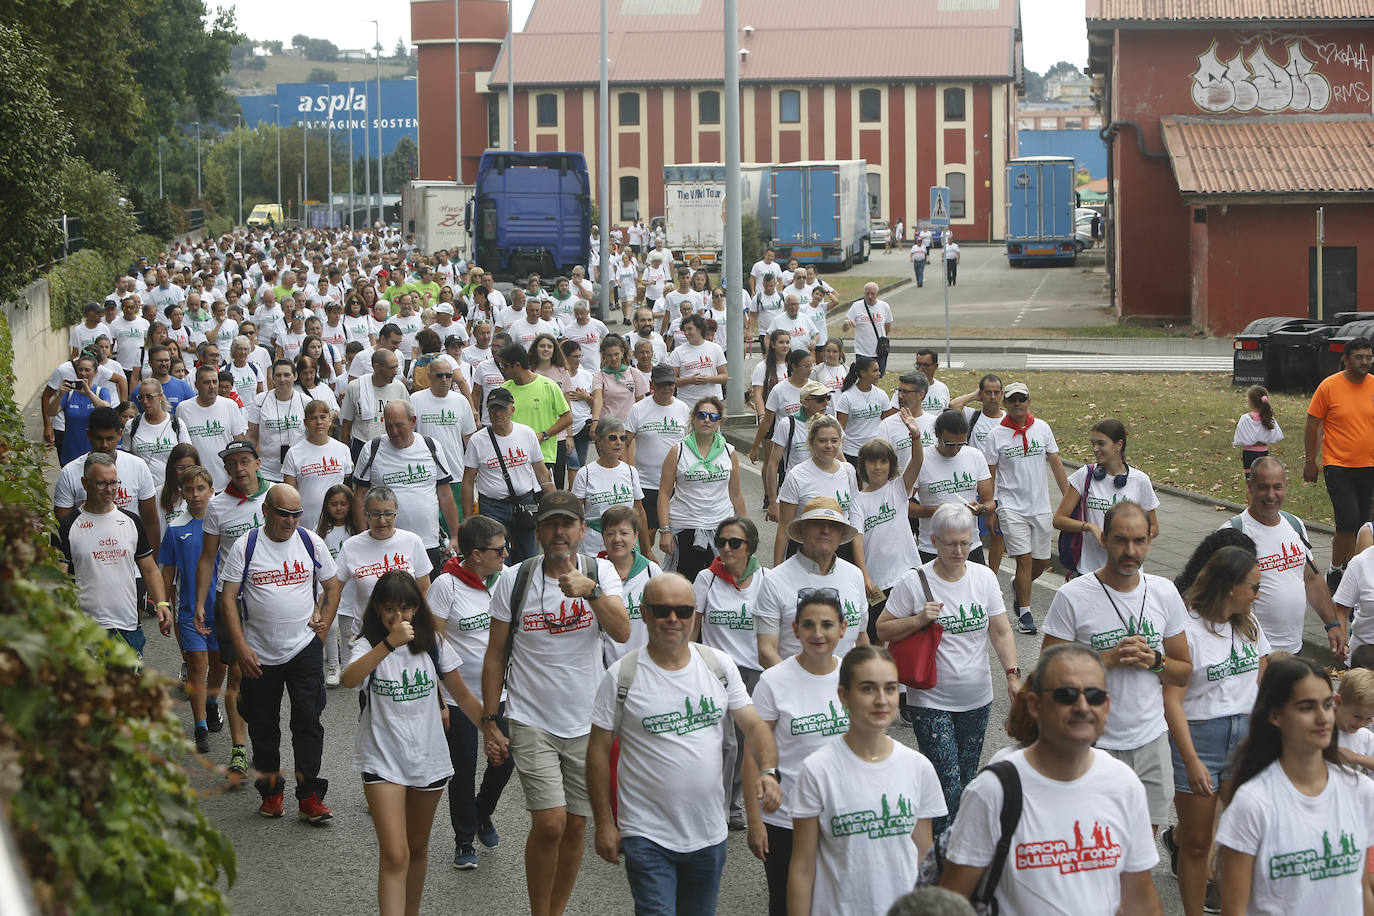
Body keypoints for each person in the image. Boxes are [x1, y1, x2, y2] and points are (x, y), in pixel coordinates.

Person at [586, 572, 780, 915]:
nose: (673, 619)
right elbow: (598, 753)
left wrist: (767, 770)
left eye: (683, 611)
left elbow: (755, 726)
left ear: (695, 614)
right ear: (644, 613)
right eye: (661, 610)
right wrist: (604, 823)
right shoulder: (621, 676)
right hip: (645, 834)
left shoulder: (718, 666)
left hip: (709, 833)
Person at [479, 491, 631, 916]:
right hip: (530, 717)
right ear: (539, 530)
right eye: (550, 524)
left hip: (587, 720)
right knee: (550, 823)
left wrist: (592, 591)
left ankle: (555, 911)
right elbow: (494, 654)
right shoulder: (515, 579)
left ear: (583, 530)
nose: (559, 532)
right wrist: (491, 721)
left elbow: (621, 632)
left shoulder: (600, 573)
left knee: (576, 825)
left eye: (568, 524)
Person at [940, 643, 1163, 915]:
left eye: (1094, 696)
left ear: (1106, 705)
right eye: (1066, 695)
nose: (1082, 706)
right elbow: (951, 901)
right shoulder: (993, 790)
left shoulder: (1124, 784)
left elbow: (1139, 899)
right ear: (1035, 704)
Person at [1042, 500, 1193, 834]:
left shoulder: (1164, 593)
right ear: (1104, 539)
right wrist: (1104, 660)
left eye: (1139, 541)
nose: (1130, 550)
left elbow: (1183, 671)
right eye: (1121, 540)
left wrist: (1155, 661)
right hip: (1092, 741)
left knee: (1142, 842)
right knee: (1094, 841)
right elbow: (1046, 674)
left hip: (1151, 739)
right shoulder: (1073, 596)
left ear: (1150, 541)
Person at [341, 570, 484, 916]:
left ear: (417, 609)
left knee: (418, 848)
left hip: (428, 757)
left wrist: (493, 729)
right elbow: (348, 680)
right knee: (395, 853)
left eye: (406, 608)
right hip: (382, 759)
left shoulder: (432, 642)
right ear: (377, 609)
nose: (398, 616)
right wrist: (388, 643)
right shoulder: (368, 646)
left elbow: (461, 694)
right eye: (389, 608)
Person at [877, 503, 1021, 833]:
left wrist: (1013, 676)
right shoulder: (914, 583)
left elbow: (1000, 631)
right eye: (950, 543)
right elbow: (883, 629)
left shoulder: (984, 578)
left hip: (977, 699)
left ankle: (943, 847)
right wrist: (918, 619)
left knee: (965, 781)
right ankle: (947, 857)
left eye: (965, 543)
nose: (959, 551)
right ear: (934, 541)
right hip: (931, 700)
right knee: (948, 783)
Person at [216, 483, 342, 823]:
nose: (291, 520)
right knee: (263, 725)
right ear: (266, 511)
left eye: (297, 513)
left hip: (303, 648)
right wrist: (240, 647)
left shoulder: (309, 541)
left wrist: (323, 627)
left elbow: (332, 586)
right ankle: (271, 792)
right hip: (259, 653)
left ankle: (310, 797)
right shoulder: (247, 546)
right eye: (284, 513)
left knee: (308, 722)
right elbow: (228, 598)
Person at [788, 646, 946, 916]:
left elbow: (923, 856)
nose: (882, 700)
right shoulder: (817, 770)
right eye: (868, 688)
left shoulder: (918, 767)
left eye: (890, 688)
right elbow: (803, 868)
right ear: (844, 696)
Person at [1216, 656, 1374, 913]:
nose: (1323, 718)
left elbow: (1363, 889)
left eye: (1326, 705)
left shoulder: (1362, 792)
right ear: (1276, 715)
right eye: (1306, 708)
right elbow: (1235, 909)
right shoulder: (1252, 803)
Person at [1163, 545, 1270, 916]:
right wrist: (1191, 760)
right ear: (1229, 586)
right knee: (1196, 841)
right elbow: (1172, 700)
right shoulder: (1186, 630)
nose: (1258, 594)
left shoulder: (1248, 622)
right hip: (1198, 737)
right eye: (1254, 587)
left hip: (1244, 739)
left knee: (1244, 836)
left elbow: (1264, 666)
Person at [742, 590, 846, 916]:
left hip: (842, 815)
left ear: (843, 628)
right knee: (787, 905)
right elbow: (751, 756)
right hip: (787, 819)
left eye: (827, 624)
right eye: (809, 625)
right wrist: (755, 821)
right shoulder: (774, 682)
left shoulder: (854, 676)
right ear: (795, 629)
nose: (818, 633)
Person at [429, 514, 518, 869]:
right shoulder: (446, 586)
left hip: (503, 693)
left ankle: (483, 811)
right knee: (463, 768)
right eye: (499, 549)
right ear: (476, 554)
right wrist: (439, 696)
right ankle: (464, 839)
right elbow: (431, 644)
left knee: (505, 759)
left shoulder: (506, 580)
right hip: (459, 695)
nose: (507, 554)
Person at [195, 440, 271, 784]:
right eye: (232, 463)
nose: (239, 468)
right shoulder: (218, 506)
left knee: (269, 678)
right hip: (233, 602)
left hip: (272, 599)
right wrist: (199, 602)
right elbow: (208, 558)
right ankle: (239, 749)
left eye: (245, 461)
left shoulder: (276, 497)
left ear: (257, 462)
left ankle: (266, 740)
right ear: (226, 469)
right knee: (238, 674)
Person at [1223, 456, 1346, 659]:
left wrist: (1332, 624)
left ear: (1286, 487)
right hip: (1252, 654)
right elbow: (1210, 593)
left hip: (1293, 651)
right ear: (1250, 486)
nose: (1271, 495)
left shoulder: (1294, 525)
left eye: (1277, 487)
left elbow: (1312, 578)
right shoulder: (1233, 533)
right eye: (1263, 487)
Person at [693, 516, 769, 830]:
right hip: (716, 672)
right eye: (721, 542)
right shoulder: (706, 578)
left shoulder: (767, 579)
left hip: (754, 672)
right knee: (721, 743)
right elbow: (691, 628)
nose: (725, 548)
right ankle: (714, 806)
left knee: (743, 744)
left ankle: (733, 801)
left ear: (749, 547)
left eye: (734, 543)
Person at [58, 451, 173, 656]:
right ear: (85, 483)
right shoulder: (67, 525)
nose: (109, 489)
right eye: (101, 483)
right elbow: (59, 578)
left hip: (128, 624)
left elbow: (149, 569)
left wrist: (162, 603)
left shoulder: (131, 521)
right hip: (86, 629)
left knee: (129, 688)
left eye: (114, 483)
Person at [985, 381, 1069, 634]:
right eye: (1012, 400)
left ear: (1029, 401)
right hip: (1010, 507)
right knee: (1023, 559)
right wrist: (991, 508)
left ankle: (1018, 586)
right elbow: (989, 474)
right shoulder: (995, 435)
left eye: (1022, 398)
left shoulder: (1042, 428)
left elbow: (1055, 463)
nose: (1018, 403)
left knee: (1041, 562)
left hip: (1040, 506)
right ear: (1006, 403)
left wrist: (1068, 498)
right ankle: (1025, 615)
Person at [757, 497, 872, 669]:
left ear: (841, 534)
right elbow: (766, 651)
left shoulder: (855, 575)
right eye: (817, 523)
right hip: (795, 690)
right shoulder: (774, 580)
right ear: (802, 531)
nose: (825, 530)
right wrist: (803, 685)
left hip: (846, 689)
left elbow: (861, 638)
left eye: (833, 526)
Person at [335, 484, 434, 683]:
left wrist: (426, 628)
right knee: (371, 693)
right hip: (368, 635)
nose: (382, 520)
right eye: (375, 514)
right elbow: (333, 590)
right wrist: (322, 620)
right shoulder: (351, 546)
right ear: (365, 514)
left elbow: (425, 590)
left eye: (388, 514)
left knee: (409, 686)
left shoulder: (412, 541)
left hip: (408, 632)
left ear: (396, 514)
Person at [351, 401, 461, 572]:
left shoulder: (431, 447)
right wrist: (363, 537)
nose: (394, 432)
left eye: (399, 425)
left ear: (412, 421)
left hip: (427, 544)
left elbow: (445, 494)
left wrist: (455, 535)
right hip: (385, 544)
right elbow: (359, 497)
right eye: (389, 426)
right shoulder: (371, 449)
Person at [158, 464, 222, 752]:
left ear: (211, 490)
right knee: (198, 664)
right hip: (188, 611)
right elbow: (167, 576)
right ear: (181, 493)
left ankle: (210, 702)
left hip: (222, 609)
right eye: (189, 489)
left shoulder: (222, 523)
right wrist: (164, 607)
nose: (195, 495)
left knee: (220, 663)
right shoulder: (175, 529)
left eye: (201, 488)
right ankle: (200, 727)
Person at [1304, 335, 1374, 591]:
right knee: (1347, 520)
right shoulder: (1329, 386)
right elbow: (1312, 424)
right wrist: (1310, 461)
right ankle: (1336, 569)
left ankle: (1355, 570)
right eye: (1359, 357)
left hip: (1369, 466)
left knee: (1364, 524)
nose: (1365, 362)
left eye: (1369, 357)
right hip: (1338, 465)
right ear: (1345, 359)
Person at [1052, 419, 1161, 578]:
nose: (1095, 449)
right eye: (1093, 443)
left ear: (1118, 445)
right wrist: (1089, 527)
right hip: (1089, 571)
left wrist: (1127, 538)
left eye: (1101, 443)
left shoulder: (1140, 481)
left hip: (1127, 572)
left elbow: (1154, 528)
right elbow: (1059, 520)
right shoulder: (1084, 476)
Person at [656, 395, 747, 582]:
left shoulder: (729, 452)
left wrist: (746, 531)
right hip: (686, 527)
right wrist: (665, 531)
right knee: (686, 587)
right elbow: (664, 494)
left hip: (721, 528)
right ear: (693, 419)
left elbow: (736, 495)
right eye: (702, 415)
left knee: (721, 584)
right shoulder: (678, 450)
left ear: (719, 422)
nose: (707, 420)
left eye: (713, 417)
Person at [462, 387, 555, 564]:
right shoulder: (477, 440)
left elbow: (542, 472)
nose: (497, 413)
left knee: (530, 557)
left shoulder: (527, 434)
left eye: (502, 408)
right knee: (496, 559)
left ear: (512, 410)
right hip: (492, 507)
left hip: (525, 504)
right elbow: (467, 481)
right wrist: (468, 520)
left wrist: (555, 502)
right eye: (492, 409)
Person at [772, 416, 865, 572]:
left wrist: (862, 566)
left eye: (834, 440)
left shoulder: (848, 471)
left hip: (842, 549)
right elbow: (784, 528)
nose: (829, 446)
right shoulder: (796, 476)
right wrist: (777, 570)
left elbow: (855, 518)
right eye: (822, 440)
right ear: (811, 442)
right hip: (808, 550)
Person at [853, 436, 924, 614]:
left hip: (907, 575)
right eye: (872, 461)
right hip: (877, 582)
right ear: (863, 465)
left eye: (884, 461)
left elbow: (917, 460)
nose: (878, 467)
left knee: (911, 631)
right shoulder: (857, 501)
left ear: (891, 465)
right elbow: (857, 539)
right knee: (878, 635)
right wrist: (864, 575)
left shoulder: (899, 488)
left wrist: (915, 437)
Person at [913, 410, 994, 564]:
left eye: (961, 444)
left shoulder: (975, 456)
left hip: (970, 546)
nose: (955, 449)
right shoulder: (921, 459)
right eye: (950, 444)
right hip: (933, 548)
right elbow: (905, 505)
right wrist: (936, 511)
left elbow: (990, 503)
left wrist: (980, 509)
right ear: (937, 435)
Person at [410, 354, 478, 532]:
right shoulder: (415, 400)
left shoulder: (461, 401)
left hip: (455, 474)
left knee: (455, 527)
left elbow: (469, 439)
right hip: (425, 475)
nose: (445, 379)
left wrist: (472, 472)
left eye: (449, 375)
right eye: (439, 375)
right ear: (430, 376)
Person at [571, 416, 652, 558]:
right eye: (613, 438)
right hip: (593, 550)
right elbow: (574, 516)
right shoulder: (585, 473)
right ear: (599, 441)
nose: (619, 443)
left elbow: (639, 512)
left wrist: (647, 551)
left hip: (627, 549)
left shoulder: (631, 472)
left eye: (623, 438)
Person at [498, 341, 572, 484]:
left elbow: (567, 418)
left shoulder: (548, 385)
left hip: (543, 456)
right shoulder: (504, 389)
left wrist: (544, 435)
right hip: (514, 458)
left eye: (504, 365)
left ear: (517, 365)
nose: (502, 369)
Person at [626, 365, 689, 533]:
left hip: (678, 484)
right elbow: (625, 443)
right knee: (648, 534)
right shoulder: (638, 409)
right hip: (647, 483)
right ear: (652, 385)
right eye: (661, 384)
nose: (666, 388)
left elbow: (690, 446)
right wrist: (626, 474)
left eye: (670, 384)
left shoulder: (683, 409)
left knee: (678, 535)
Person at [282, 400, 353, 531]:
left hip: (338, 524)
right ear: (305, 423)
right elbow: (289, 495)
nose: (319, 422)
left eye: (323, 417)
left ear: (330, 420)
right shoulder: (293, 453)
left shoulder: (343, 449)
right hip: (306, 524)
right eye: (313, 418)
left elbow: (347, 488)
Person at [764, 382, 832, 519]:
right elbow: (773, 464)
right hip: (795, 494)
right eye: (820, 399)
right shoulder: (787, 424)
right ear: (805, 403)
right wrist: (772, 501)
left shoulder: (832, 423)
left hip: (826, 491)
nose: (826, 403)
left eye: (827, 398)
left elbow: (841, 460)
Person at [177, 363, 249, 491]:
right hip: (196, 484)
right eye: (206, 382)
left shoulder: (230, 405)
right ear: (196, 385)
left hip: (227, 482)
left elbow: (239, 442)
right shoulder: (183, 409)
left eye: (215, 382)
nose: (212, 386)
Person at [340, 348, 410, 461]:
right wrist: (345, 458)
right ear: (376, 367)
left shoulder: (399, 387)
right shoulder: (355, 387)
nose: (395, 372)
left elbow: (409, 420)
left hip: (391, 448)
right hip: (362, 447)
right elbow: (346, 424)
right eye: (391, 368)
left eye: (396, 367)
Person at [247, 359, 310, 483]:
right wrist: (250, 464)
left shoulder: (306, 401)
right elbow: (251, 437)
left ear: (295, 376)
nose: (282, 379)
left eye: (287, 375)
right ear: (272, 377)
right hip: (267, 472)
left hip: (299, 470)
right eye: (278, 375)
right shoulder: (260, 401)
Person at [47, 353, 115, 466]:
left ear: (95, 372)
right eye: (80, 369)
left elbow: (106, 410)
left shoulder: (101, 391)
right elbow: (51, 412)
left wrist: (88, 393)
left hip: (96, 453)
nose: (83, 373)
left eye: (87, 370)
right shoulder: (69, 394)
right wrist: (60, 395)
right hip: (71, 452)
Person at [750, 347, 813, 468]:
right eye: (806, 366)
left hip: (808, 442)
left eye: (811, 366)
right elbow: (767, 421)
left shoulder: (814, 388)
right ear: (794, 367)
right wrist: (755, 446)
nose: (810, 370)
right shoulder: (779, 390)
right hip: (785, 444)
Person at [836, 356, 893, 462]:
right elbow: (840, 428)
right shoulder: (847, 397)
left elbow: (887, 422)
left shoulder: (881, 394)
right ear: (863, 373)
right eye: (875, 371)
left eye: (879, 370)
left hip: (876, 450)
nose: (879, 373)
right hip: (852, 452)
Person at [668, 314, 728, 407]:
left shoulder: (716, 348)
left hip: (712, 402)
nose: (686, 333)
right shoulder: (677, 352)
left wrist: (708, 379)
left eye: (689, 329)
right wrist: (690, 380)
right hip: (687, 403)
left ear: (699, 328)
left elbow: (724, 377)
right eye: (684, 330)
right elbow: (671, 381)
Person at [591, 334, 648, 427]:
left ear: (622, 352)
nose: (613, 359)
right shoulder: (599, 376)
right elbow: (598, 400)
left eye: (616, 354)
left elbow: (640, 403)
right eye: (609, 355)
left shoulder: (634, 373)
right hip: (607, 427)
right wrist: (595, 421)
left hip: (629, 426)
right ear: (604, 355)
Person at [1232, 385, 1282, 483]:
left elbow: (1240, 438)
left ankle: (1250, 499)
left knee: (1250, 482)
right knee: (1261, 481)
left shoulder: (1246, 418)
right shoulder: (1268, 418)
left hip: (1249, 454)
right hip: (1263, 452)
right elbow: (1275, 435)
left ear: (1250, 401)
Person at [842, 283, 894, 375]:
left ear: (878, 293)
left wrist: (882, 339)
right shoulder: (856, 306)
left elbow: (887, 326)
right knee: (863, 377)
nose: (870, 296)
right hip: (862, 351)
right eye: (867, 293)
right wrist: (847, 324)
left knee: (878, 376)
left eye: (872, 293)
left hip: (879, 350)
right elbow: (844, 329)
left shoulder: (884, 306)